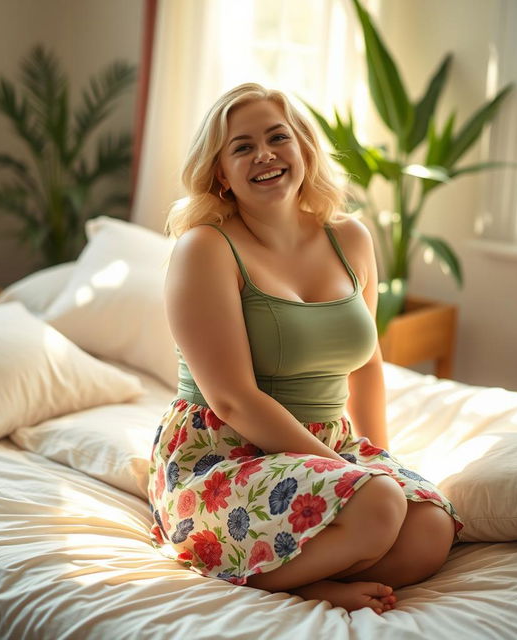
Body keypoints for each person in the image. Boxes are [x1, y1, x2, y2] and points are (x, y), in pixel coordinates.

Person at [147, 82, 464, 615]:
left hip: (323, 443)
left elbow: (367, 366)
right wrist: (357, 484)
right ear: (220, 173)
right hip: (223, 456)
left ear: (304, 149)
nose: (264, 154)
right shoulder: (205, 248)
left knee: (430, 529)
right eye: (241, 146)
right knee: (377, 506)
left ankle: (303, 561)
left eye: (278, 137)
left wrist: (377, 462)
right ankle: (288, 582)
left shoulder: (351, 239)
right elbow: (232, 400)